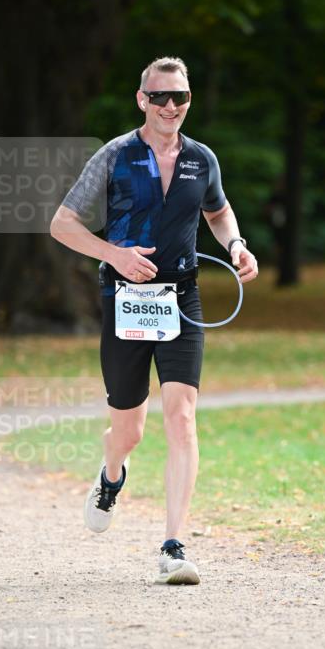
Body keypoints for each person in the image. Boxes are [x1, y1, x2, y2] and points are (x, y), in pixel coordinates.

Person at [50, 56, 258, 585]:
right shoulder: (115, 156)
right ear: (142, 99)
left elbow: (217, 211)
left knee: (182, 416)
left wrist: (234, 243)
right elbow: (62, 224)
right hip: (125, 298)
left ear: (189, 101)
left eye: (180, 98)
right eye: (160, 97)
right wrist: (114, 255)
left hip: (181, 298)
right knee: (130, 430)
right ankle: (110, 475)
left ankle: (173, 546)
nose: (171, 107)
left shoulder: (201, 159)